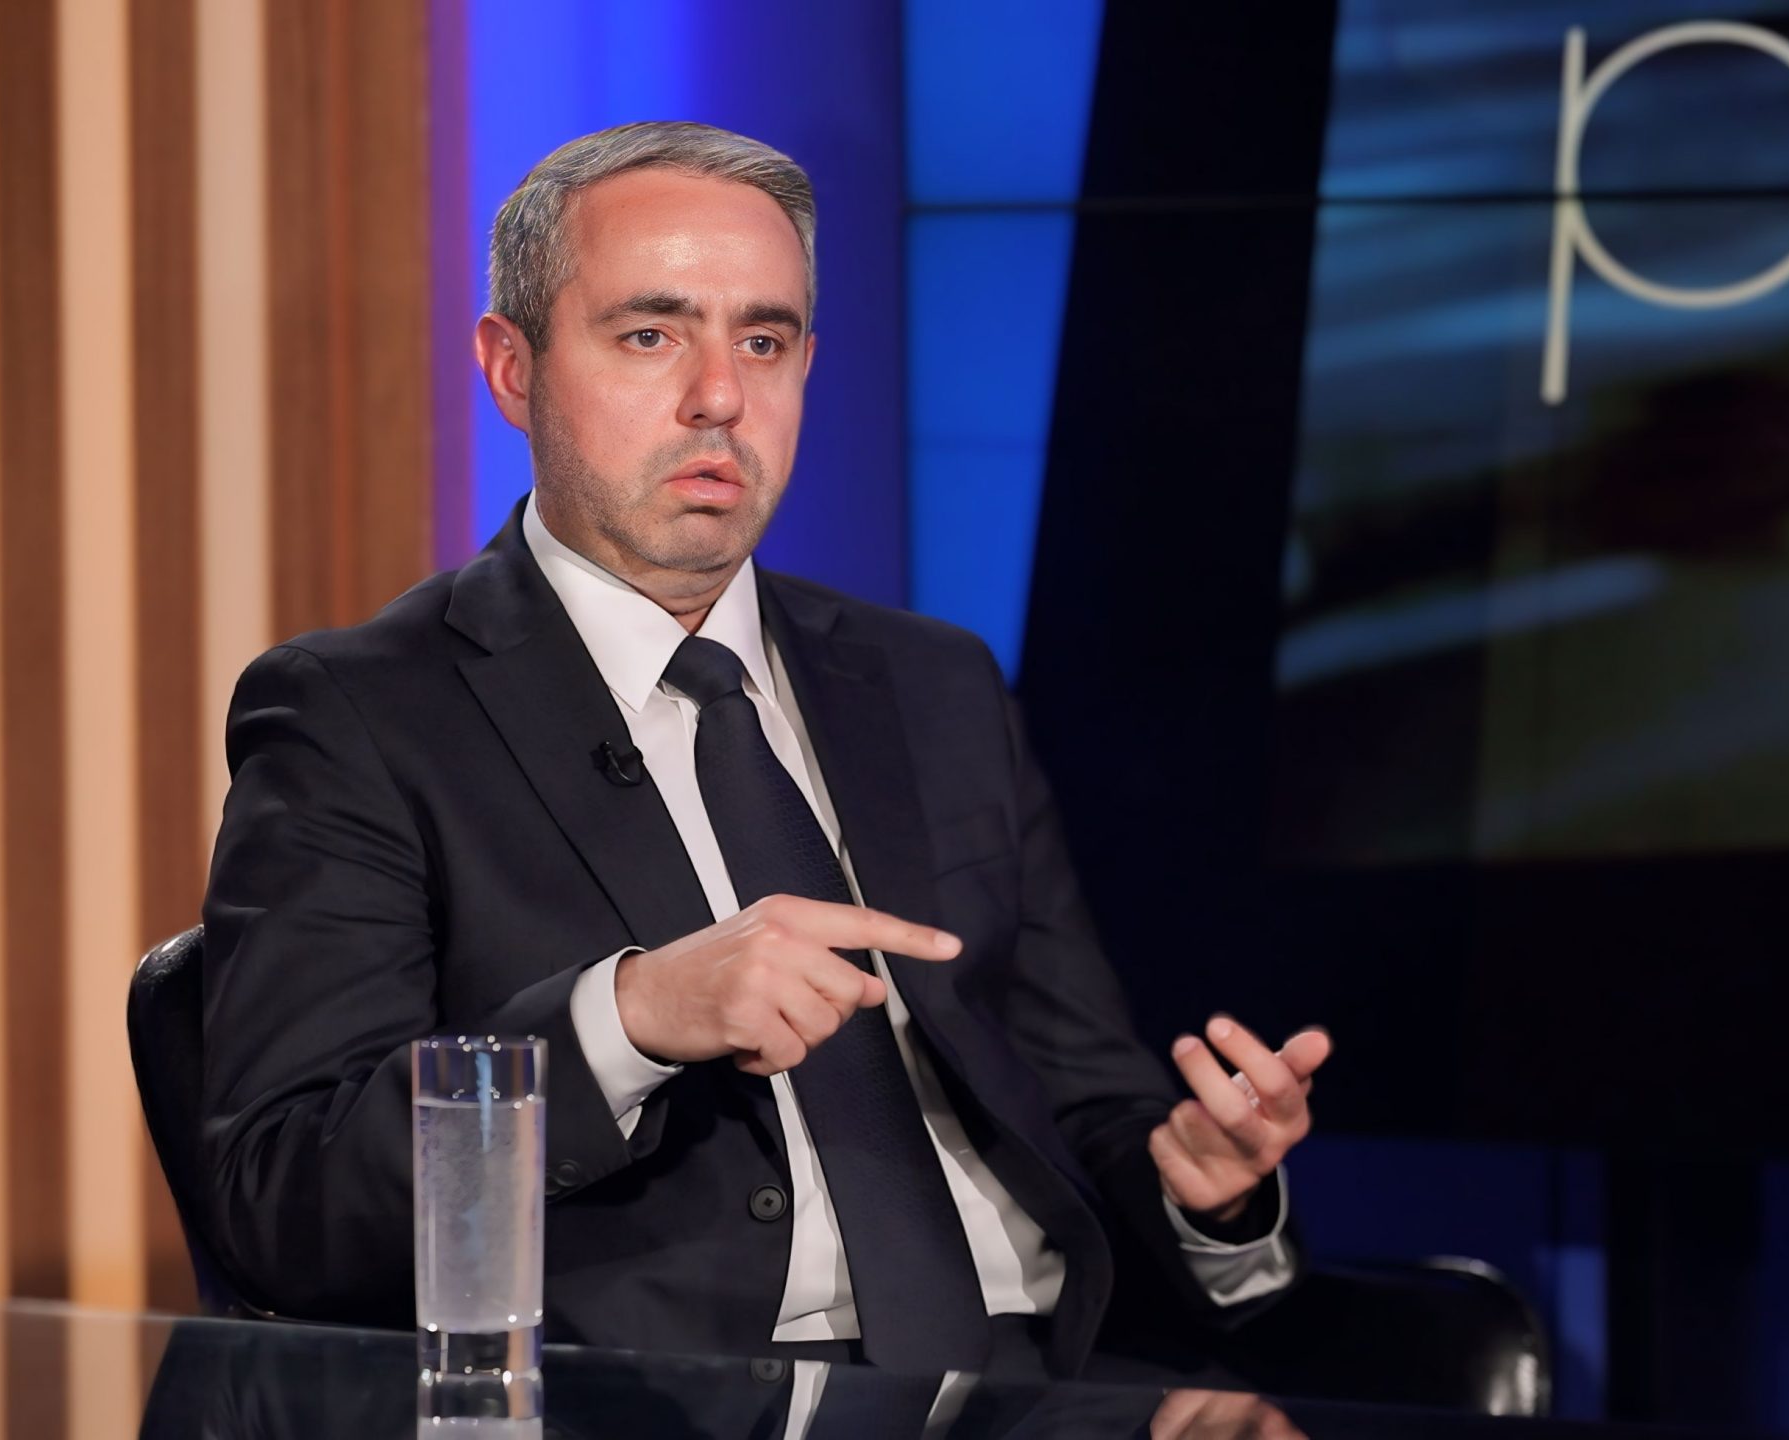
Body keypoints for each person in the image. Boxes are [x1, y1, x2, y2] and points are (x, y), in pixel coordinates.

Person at [198, 121, 1331, 1381]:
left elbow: (1085, 1099)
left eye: (763, 341)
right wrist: (630, 1017)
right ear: (512, 370)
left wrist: (1204, 1193)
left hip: (1041, 1385)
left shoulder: (933, 682)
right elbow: (280, 1202)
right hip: (671, 1401)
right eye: (650, 335)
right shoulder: (359, 713)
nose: (720, 398)